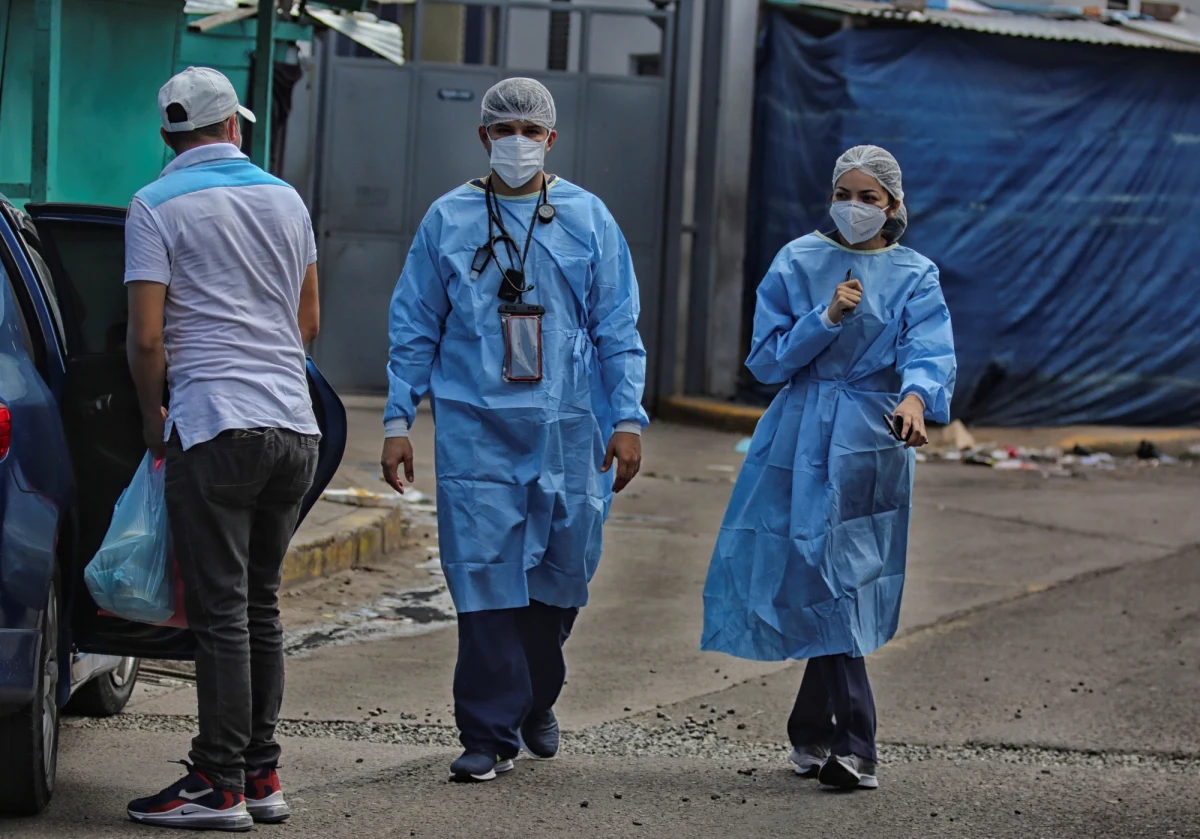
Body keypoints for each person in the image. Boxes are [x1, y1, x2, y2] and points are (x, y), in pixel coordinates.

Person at [381, 77, 647, 783]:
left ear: (552, 140)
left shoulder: (587, 220)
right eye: (507, 130)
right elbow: (414, 325)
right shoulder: (448, 218)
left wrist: (626, 418)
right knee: (485, 572)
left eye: (533, 131)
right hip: (477, 426)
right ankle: (487, 730)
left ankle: (536, 695)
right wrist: (397, 417)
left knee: (560, 574)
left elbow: (619, 328)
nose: (519, 142)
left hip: (569, 424)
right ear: (484, 137)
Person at [700, 145, 956, 791]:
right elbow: (766, 360)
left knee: (844, 576)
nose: (856, 207)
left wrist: (915, 398)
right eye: (846, 193)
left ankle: (850, 740)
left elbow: (929, 351)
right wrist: (826, 316)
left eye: (870, 197)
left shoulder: (916, 275)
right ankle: (821, 729)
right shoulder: (798, 260)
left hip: (872, 436)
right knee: (812, 570)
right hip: (797, 432)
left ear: (894, 206)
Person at [124, 67, 321, 830]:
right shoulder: (286, 198)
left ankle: (218, 780)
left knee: (221, 614)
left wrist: (151, 420)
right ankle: (261, 773)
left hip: (214, 423)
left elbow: (146, 337)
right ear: (234, 127)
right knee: (261, 606)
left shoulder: (153, 205)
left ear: (168, 134)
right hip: (292, 426)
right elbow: (307, 319)